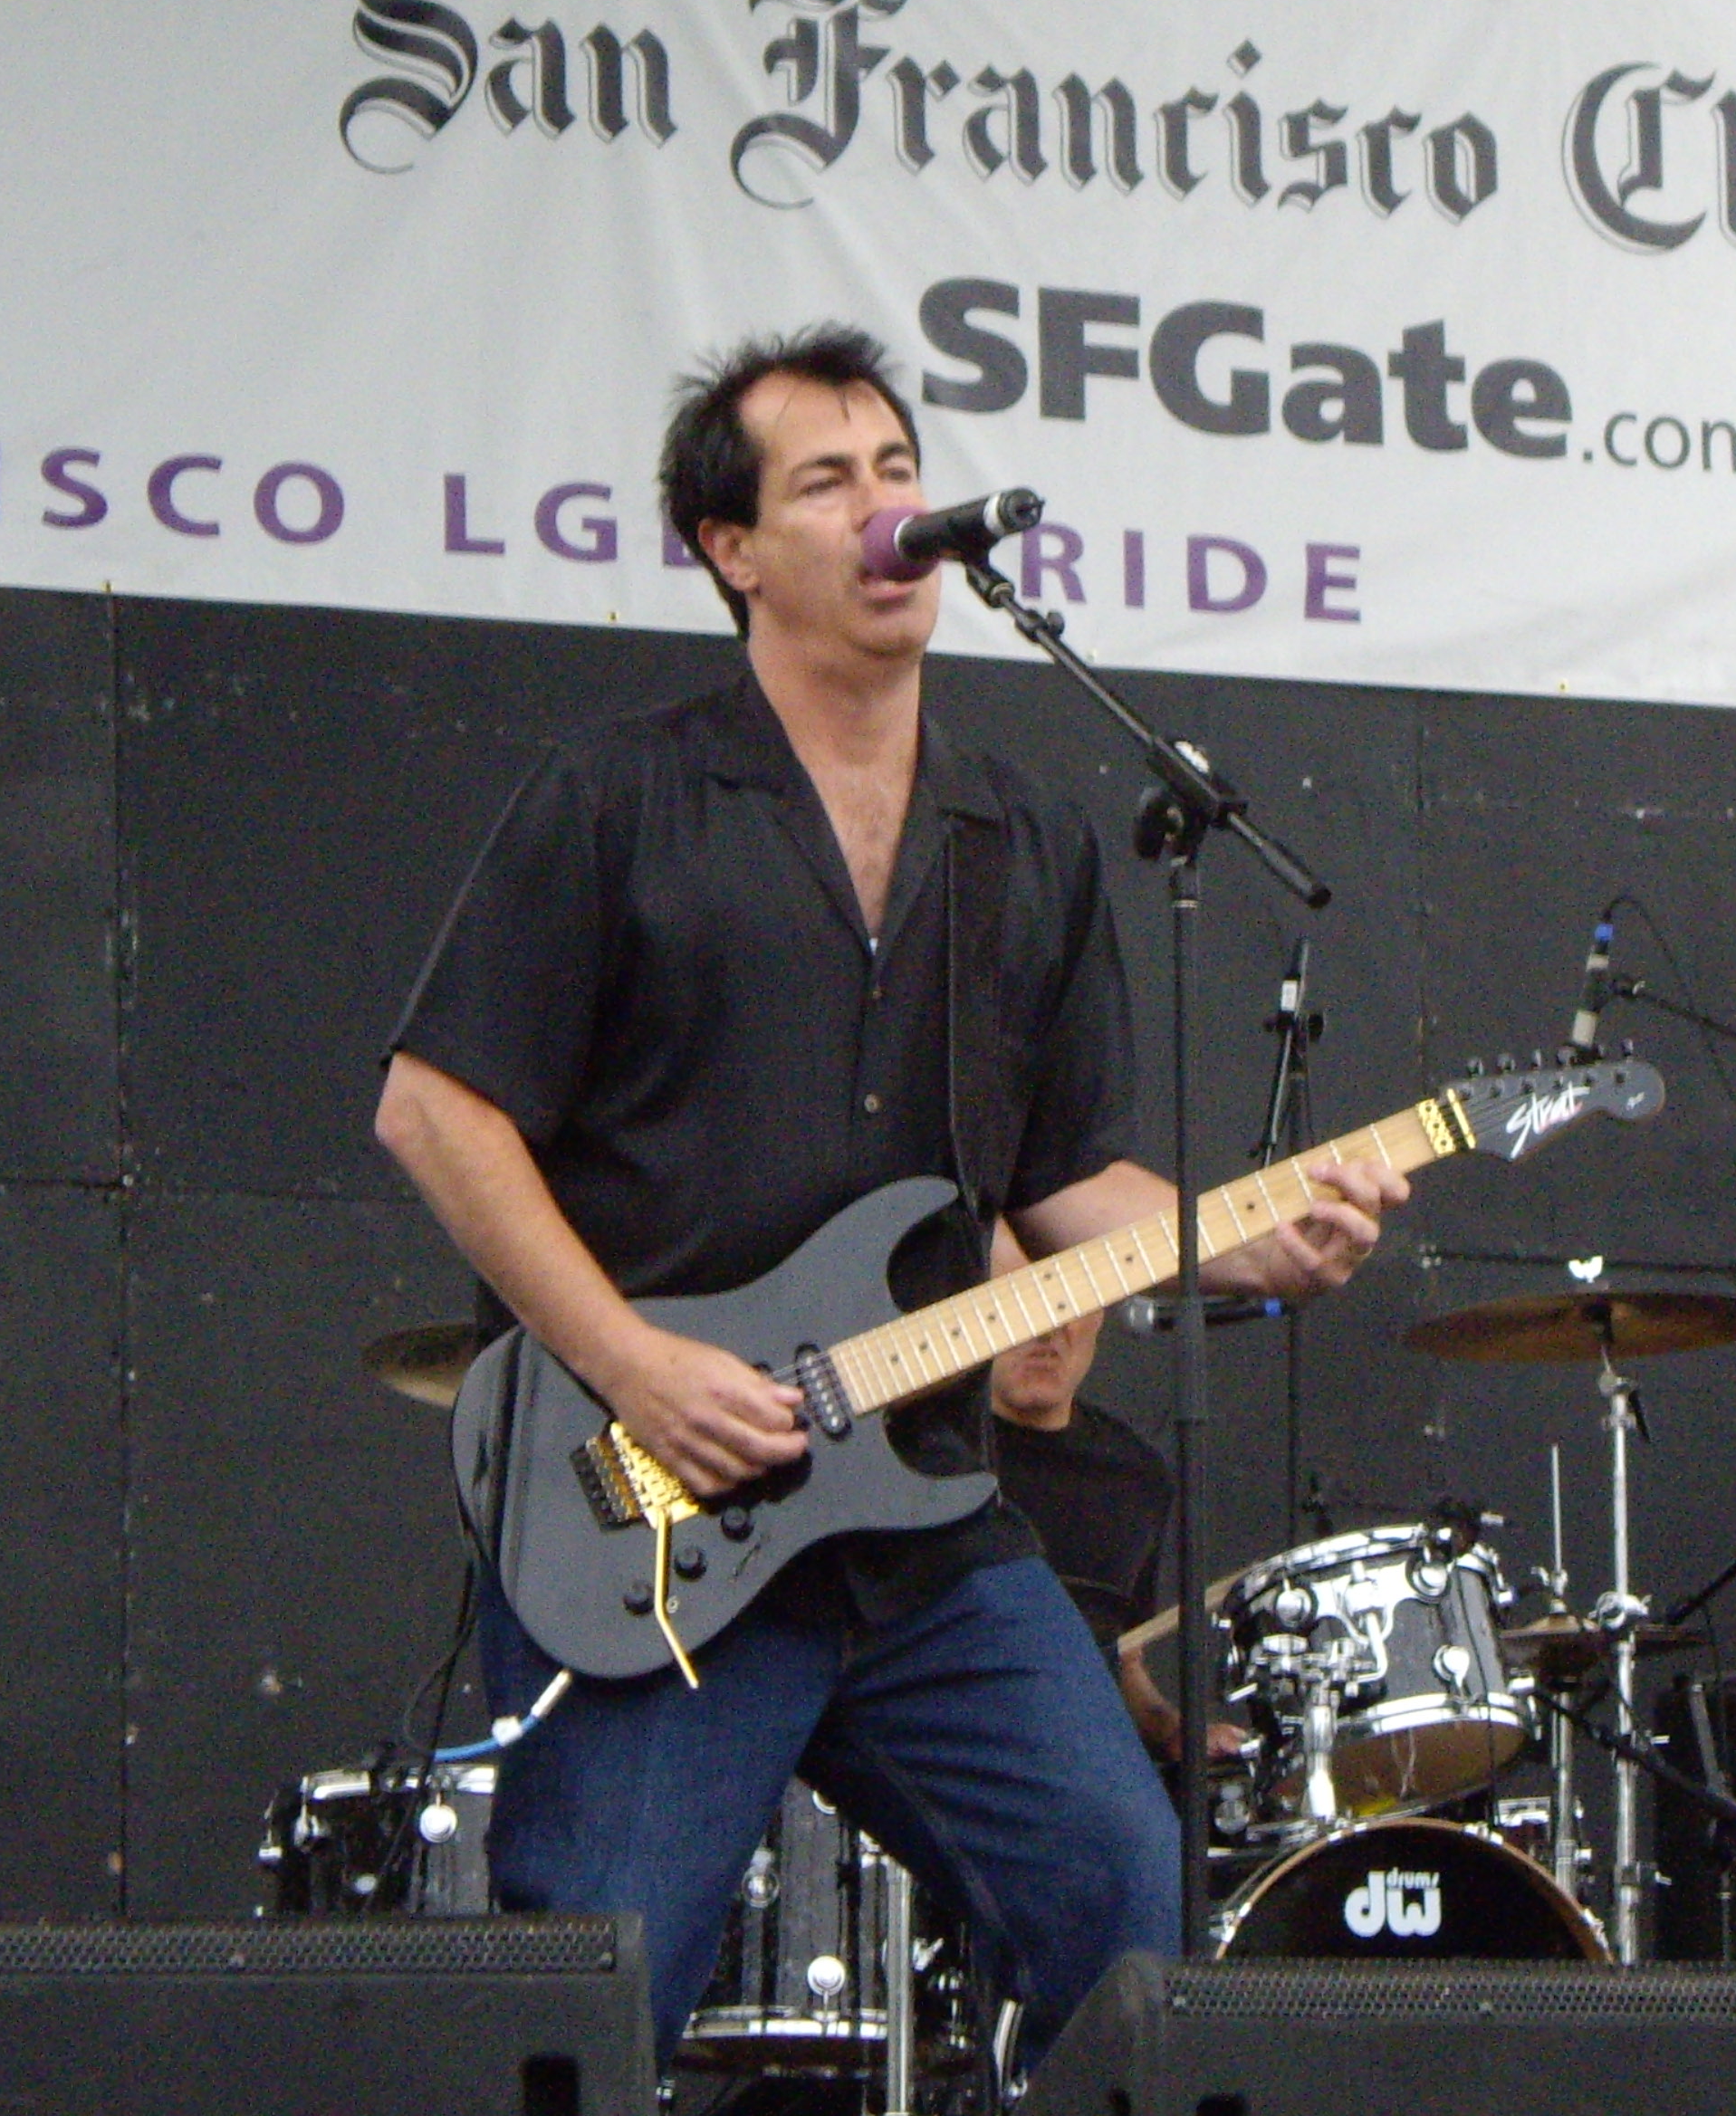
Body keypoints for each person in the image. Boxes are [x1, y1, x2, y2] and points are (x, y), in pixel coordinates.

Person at [369, 324, 1406, 2064]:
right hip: (664, 1525)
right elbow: (435, 1111)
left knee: (1124, 1916)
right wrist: (632, 1363)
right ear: (731, 548)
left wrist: (1251, 1241)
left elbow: (1068, 1178)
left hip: (923, 1515)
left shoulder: (1024, 837)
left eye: (900, 470)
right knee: (596, 1999)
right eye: (827, 480)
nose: (885, 508)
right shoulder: (620, 798)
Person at [988, 1309, 1244, 1765]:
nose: (1045, 1331)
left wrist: (1171, 1729)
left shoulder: (1135, 1477)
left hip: (1070, 1763)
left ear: (1098, 1317)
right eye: (1021, 1303)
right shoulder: (925, 1456)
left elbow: (1122, 1659)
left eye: (1066, 1306)